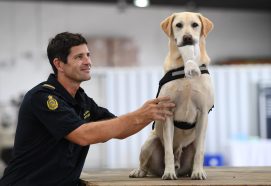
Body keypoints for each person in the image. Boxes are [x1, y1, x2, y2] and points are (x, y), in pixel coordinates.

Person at [0, 32, 175, 186]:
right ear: (59, 64)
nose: (88, 62)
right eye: (79, 57)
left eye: (88, 55)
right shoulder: (43, 97)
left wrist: (152, 113)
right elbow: (83, 135)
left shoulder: (82, 100)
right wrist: (139, 115)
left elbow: (119, 129)